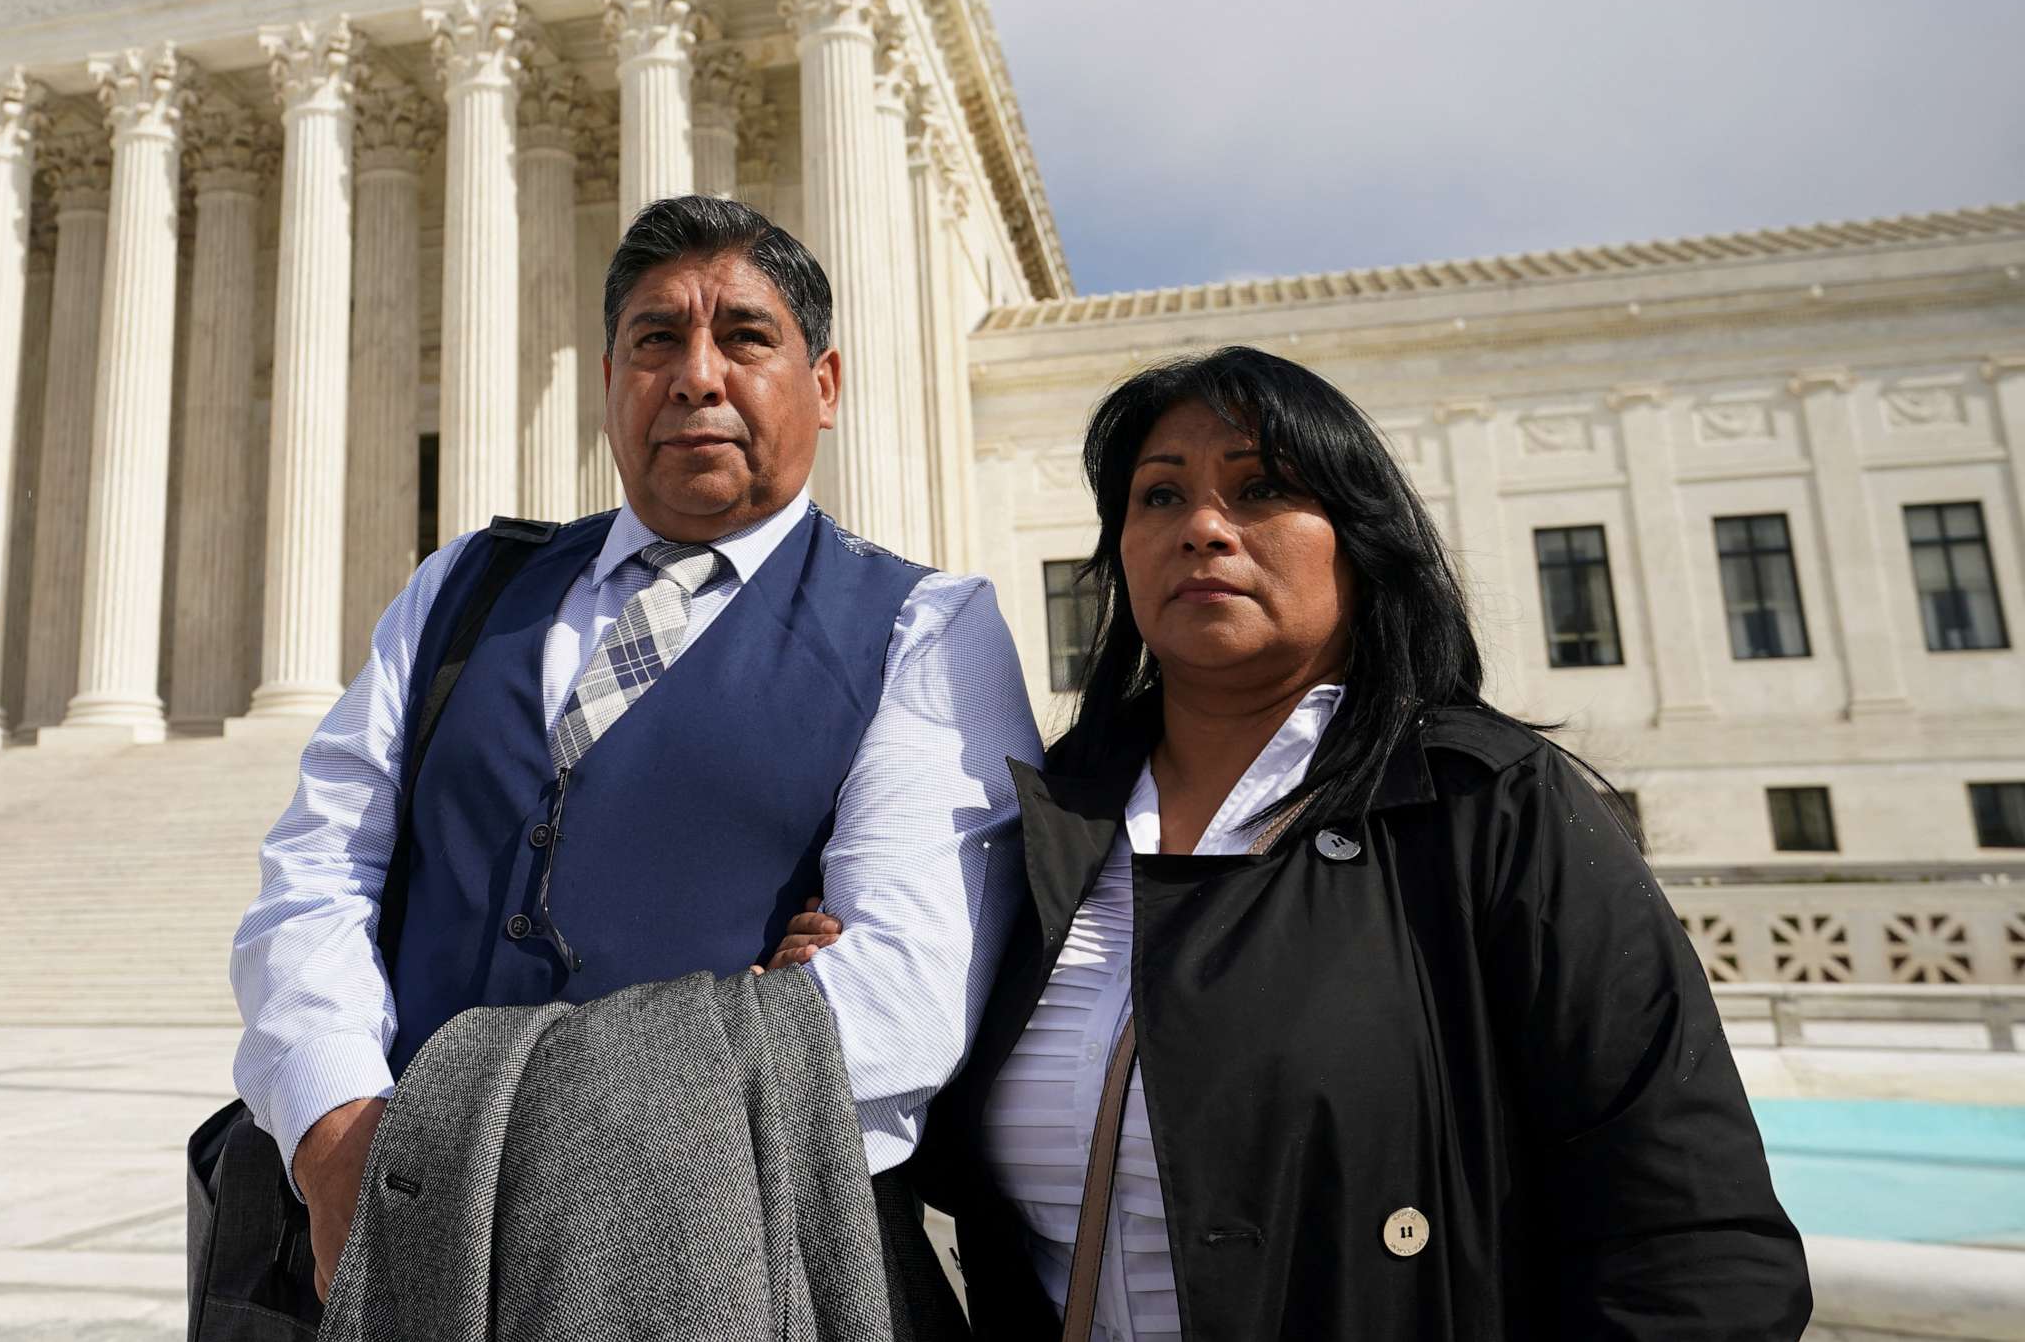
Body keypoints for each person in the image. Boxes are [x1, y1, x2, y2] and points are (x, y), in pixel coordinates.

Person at [776, 345, 1811, 1340]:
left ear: (1359, 538)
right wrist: (843, 991)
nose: (1205, 528)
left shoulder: (1482, 805)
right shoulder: (1046, 819)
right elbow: (957, 1154)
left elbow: (1691, 1232)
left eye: (1262, 486)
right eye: (1161, 495)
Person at [230, 194, 1040, 1327]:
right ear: (611, 377)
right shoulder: (464, 587)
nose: (696, 375)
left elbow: (897, 1000)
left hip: (722, 1270)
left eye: (746, 337)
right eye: (657, 339)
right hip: (386, 1237)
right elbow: (316, 872)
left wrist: (508, 1160)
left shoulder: (924, 626)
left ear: (827, 382)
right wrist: (334, 1132)